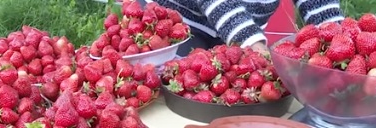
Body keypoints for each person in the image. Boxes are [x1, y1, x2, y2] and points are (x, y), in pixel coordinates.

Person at [139, 0, 345, 55]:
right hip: (178, 19)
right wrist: (252, 42)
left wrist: (340, 41)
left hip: (242, 24)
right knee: (176, 88)